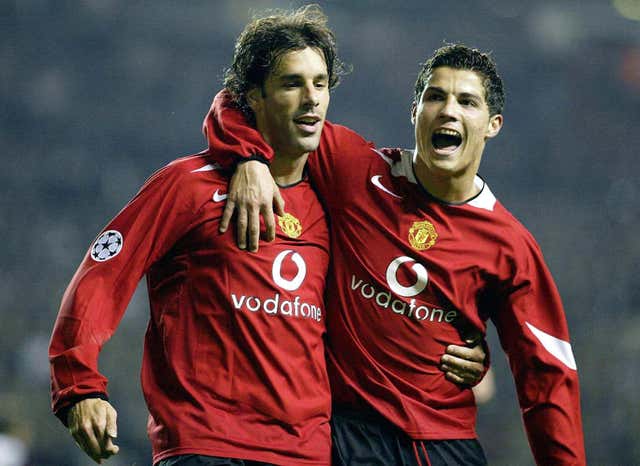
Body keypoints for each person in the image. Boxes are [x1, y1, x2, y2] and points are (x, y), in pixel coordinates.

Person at [49, 7, 486, 465]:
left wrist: (454, 343)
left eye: (320, 84)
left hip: (310, 453)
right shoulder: (189, 184)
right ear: (253, 96)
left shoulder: (337, 202)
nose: (311, 99)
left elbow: (382, 295)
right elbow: (103, 275)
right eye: (292, 84)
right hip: (207, 446)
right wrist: (79, 386)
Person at [203, 43, 586, 465]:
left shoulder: (509, 244)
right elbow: (241, 101)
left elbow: (548, 373)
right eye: (435, 96)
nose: (448, 110)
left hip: (447, 444)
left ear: (492, 124)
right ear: (415, 111)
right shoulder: (354, 169)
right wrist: (250, 156)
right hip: (349, 438)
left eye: (467, 101)